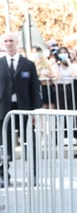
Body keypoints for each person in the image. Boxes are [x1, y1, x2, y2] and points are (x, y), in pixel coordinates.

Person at [0, 31, 43, 187]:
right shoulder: (0, 63)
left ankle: (32, 174)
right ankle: (3, 175)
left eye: (11, 40)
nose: (9, 43)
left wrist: (35, 111)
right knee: (3, 144)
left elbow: (35, 88)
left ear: (16, 42)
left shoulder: (28, 65)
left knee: (29, 143)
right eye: (6, 41)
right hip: (3, 109)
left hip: (24, 109)